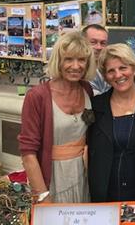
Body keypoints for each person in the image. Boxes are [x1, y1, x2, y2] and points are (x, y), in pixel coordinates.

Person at [18, 31, 96, 203]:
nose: (76, 66)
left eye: (81, 60)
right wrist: (42, 195)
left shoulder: (87, 90)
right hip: (52, 179)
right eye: (68, 59)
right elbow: (28, 152)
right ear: (58, 61)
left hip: (83, 177)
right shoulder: (37, 96)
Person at [88, 43, 135, 202]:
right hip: (105, 195)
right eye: (111, 71)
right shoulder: (95, 106)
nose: (118, 75)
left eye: (123, 68)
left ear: (134, 68)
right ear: (105, 76)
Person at [82, 24, 110, 95]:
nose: (98, 47)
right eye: (93, 42)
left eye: (103, 43)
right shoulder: (75, 69)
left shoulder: (111, 69)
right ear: (82, 43)